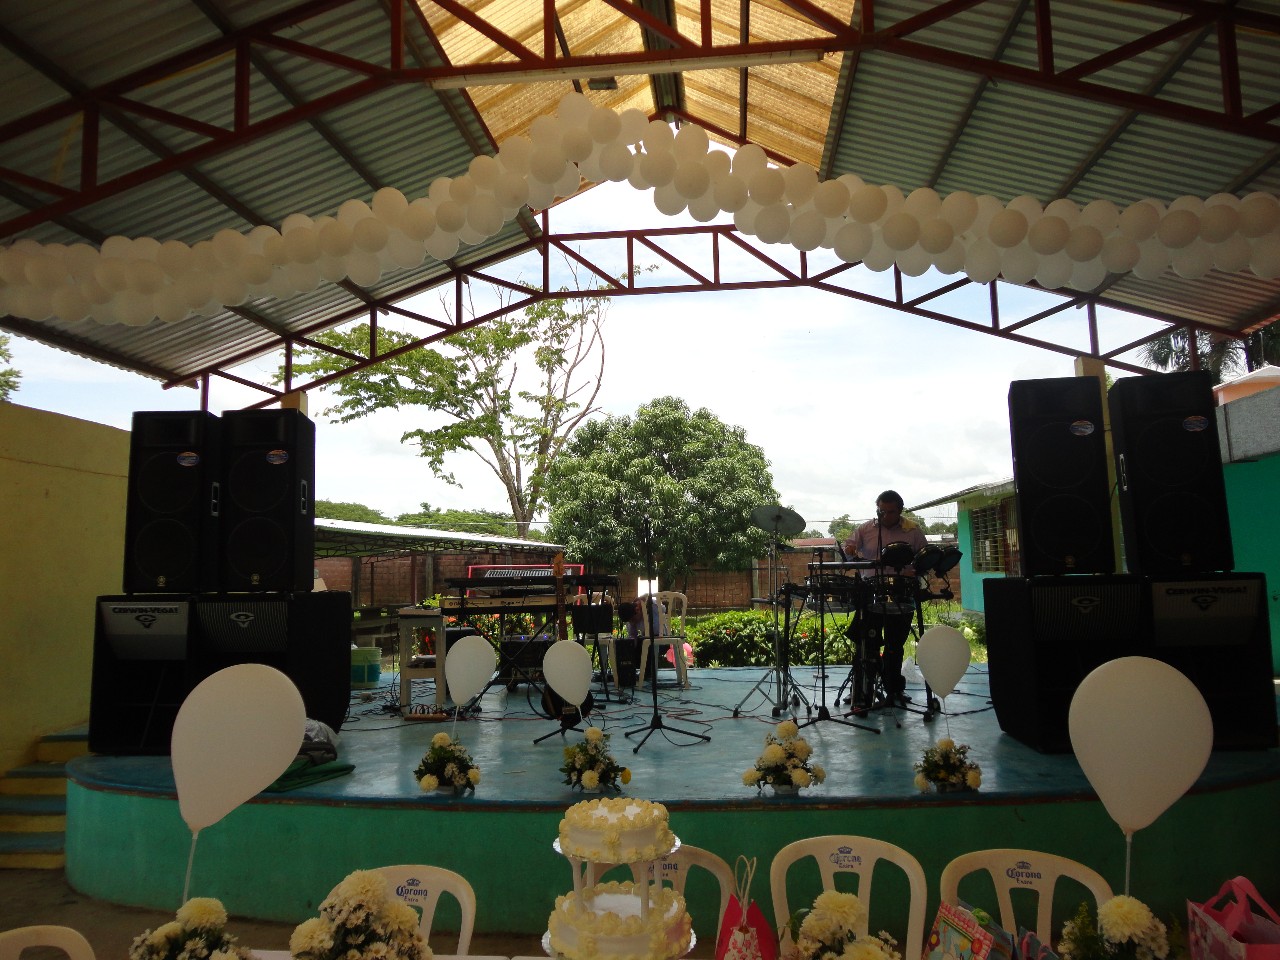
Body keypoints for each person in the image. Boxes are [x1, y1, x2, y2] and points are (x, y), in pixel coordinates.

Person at [842, 490, 928, 705]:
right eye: (881, 511)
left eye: (890, 512)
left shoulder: (913, 530)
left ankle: (894, 690)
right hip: (871, 591)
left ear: (900, 511)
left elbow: (925, 559)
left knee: (894, 645)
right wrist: (849, 550)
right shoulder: (865, 529)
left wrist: (917, 570)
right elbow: (847, 551)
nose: (885, 516)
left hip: (901, 593)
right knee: (866, 643)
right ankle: (861, 690)